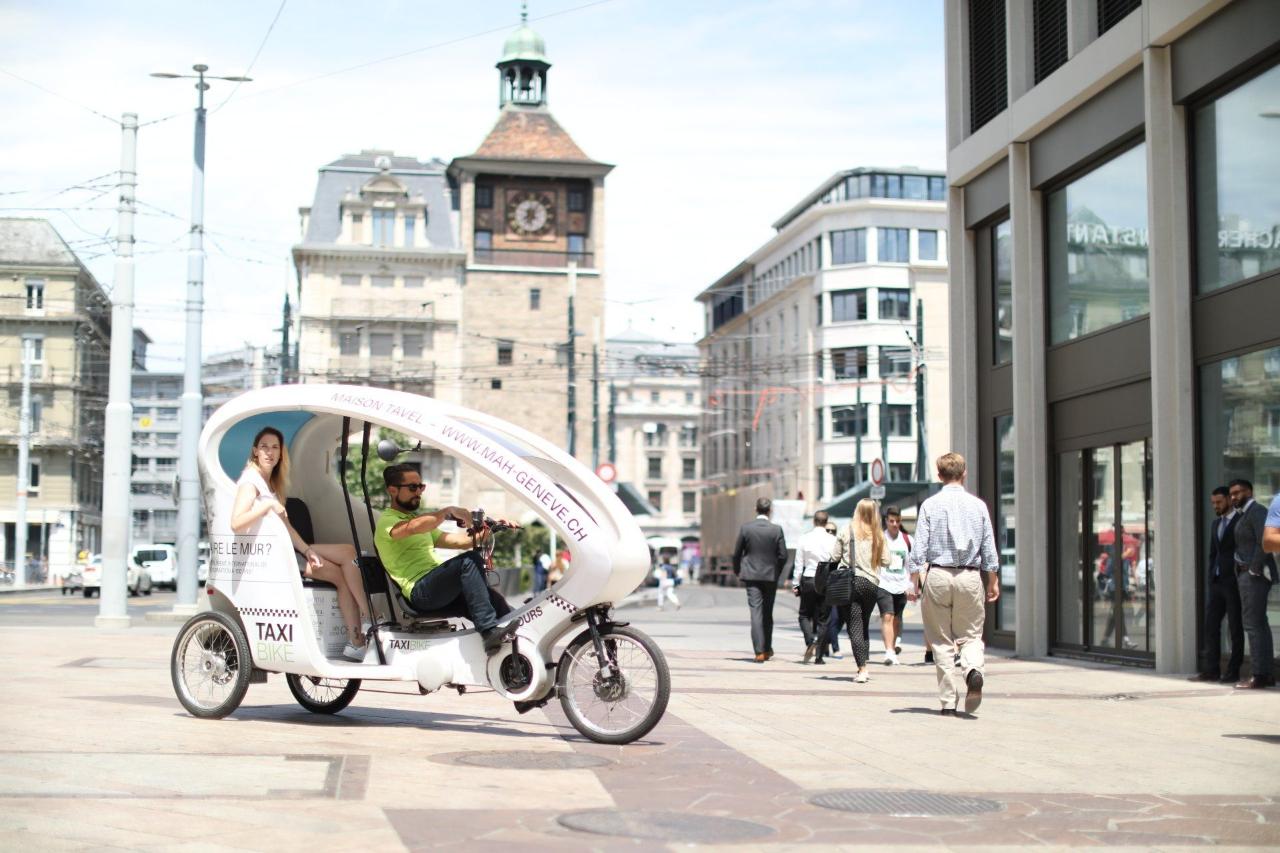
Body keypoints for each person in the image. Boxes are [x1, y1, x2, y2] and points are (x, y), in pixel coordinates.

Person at [231, 426, 370, 662]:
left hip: (288, 548)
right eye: (264, 447)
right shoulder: (250, 482)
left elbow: (287, 527)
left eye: (275, 447)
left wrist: (307, 550)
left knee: (349, 552)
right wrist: (266, 506)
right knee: (339, 575)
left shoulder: (271, 484)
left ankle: (364, 626)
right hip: (273, 556)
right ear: (255, 451)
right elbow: (236, 522)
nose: (269, 452)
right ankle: (362, 631)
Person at [374, 463, 514, 653]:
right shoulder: (388, 522)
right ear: (392, 490)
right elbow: (412, 528)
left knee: (495, 602)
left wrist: (492, 528)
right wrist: (447, 511)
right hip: (420, 593)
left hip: (437, 589)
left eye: (421, 487)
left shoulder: (418, 521)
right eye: (412, 487)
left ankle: (517, 641)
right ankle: (489, 632)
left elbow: (460, 542)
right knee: (468, 561)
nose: (419, 492)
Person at [907, 452, 999, 716]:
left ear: (939, 475)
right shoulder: (978, 506)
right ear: (964, 473)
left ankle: (948, 702)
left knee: (941, 640)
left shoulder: (930, 505)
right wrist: (992, 579)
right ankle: (972, 671)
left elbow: (920, 547)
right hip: (969, 575)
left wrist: (913, 580)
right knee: (971, 635)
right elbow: (989, 548)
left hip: (938, 574)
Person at [1189, 486, 1242, 684]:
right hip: (1217, 583)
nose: (1215, 506)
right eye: (1213, 503)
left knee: (1235, 628)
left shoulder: (1240, 521)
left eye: (1219, 502)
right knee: (1210, 626)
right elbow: (1213, 553)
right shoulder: (1215, 524)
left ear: (1229, 499)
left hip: (1234, 582)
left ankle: (1233, 671)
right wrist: (1211, 575)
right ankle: (1211, 670)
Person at [833, 499, 890, 683]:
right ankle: (864, 663)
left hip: (852, 582)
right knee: (863, 624)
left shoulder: (846, 530)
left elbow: (833, 556)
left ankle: (862, 669)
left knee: (855, 627)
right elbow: (887, 560)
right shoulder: (878, 534)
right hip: (871, 584)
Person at [1228, 479, 1276, 689]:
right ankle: (1265, 674)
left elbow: (1263, 541)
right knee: (1259, 625)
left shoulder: (1256, 511)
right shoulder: (1244, 514)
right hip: (1246, 574)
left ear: (1249, 491)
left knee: (1252, 625)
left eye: (1237, 493)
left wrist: (1254, 569)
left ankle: (1258, 675)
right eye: (1231, 494)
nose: (1233, 497)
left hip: (1253, 575)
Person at [733, 497, 787, 663]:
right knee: (767, 613)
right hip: (770, 576)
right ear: (770, 511)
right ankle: (767, 648)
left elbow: (737, 553)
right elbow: (783, 555)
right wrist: (776, 571)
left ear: (755, 509)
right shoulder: (776, 530)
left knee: (755, 612)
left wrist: (738, 570)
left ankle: (759, 652)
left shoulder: (746, 528)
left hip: (751, 575)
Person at [791, 510, 837, 664]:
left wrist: (796, 583)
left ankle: (810, 640)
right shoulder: (833, 540)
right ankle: (819, 657)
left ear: (814, 521)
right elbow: (836, 562)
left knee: (804, 615)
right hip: (825, 580)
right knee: (824, 619)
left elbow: (799, 564)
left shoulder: (804, 539)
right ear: (826, 522)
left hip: (809, 579)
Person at [879, 506, 912, 665]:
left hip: (902, 585)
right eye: (891, 521)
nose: (894, 524)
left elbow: (913, 565)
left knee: (896, 619)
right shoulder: (879, 539)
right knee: (887, 616)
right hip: (883, 584)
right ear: (886, 521)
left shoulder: (907, 540)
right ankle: (889, 651)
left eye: (897, 521)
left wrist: (912, 585)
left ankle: (892, 647)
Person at [822, 520, 846, 660]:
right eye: (828, 530)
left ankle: (826, 641)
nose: (830, 533)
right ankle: (835, 648)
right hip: (827, 587)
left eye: (833, 531)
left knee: (841, 618)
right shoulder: (821, 545)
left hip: (840, 585)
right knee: (834, 618)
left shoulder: (839, 545)